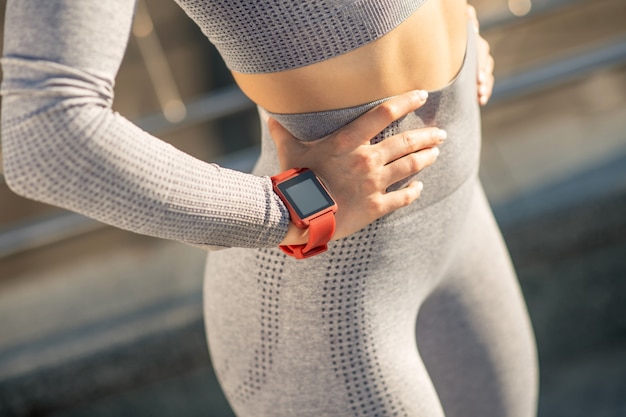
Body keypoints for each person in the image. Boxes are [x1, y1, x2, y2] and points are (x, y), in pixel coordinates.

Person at [0, 1, 538, 416]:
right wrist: (291, 207)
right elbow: (45, 135)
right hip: (328, 305)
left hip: (460, 222)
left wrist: (451, 22)